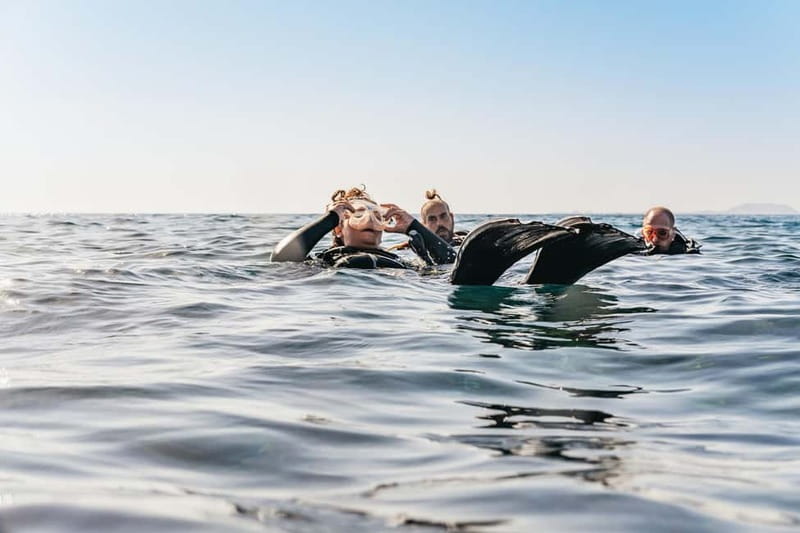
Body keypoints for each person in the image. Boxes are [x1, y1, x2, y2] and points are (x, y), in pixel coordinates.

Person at [271, 186, 456, 268]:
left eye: (377, 216)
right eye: (359, 214)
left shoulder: (403, 263)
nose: (370, 220)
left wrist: (413, 226)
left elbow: (452, 264)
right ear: (338, 228)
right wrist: (330, 219)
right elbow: (281, 259)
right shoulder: (323, 262)